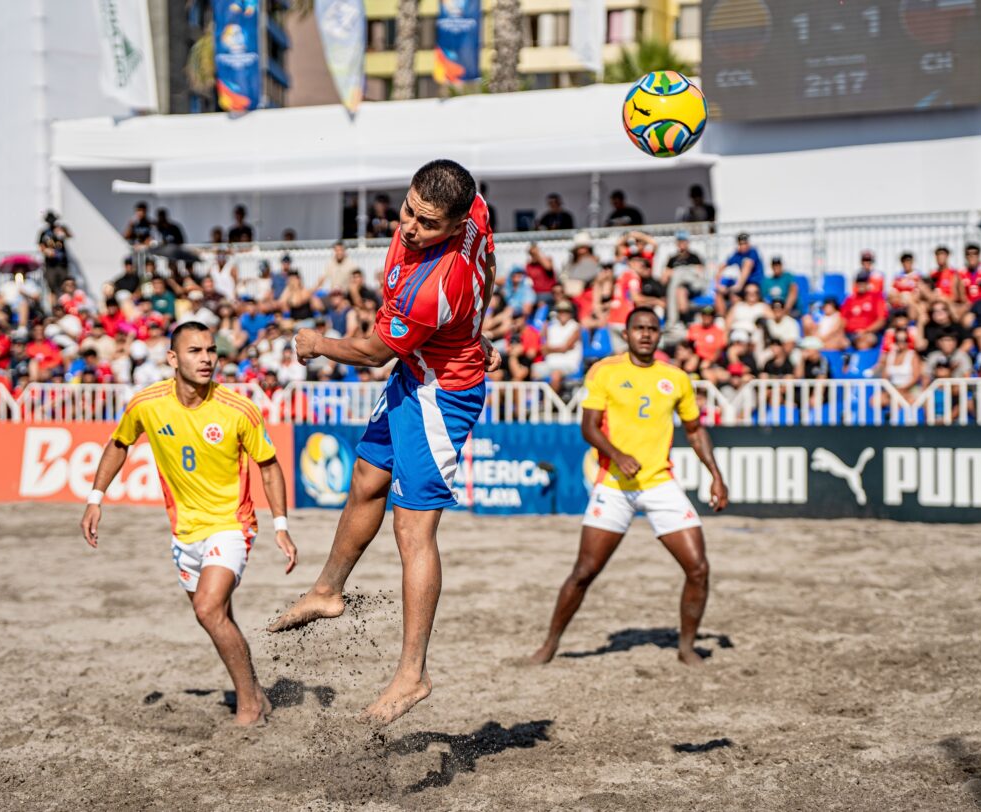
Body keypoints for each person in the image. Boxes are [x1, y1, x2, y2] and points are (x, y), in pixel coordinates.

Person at [266, 159, 500, 725]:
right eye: (408, 211)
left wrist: (316, 342)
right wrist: (472, 326)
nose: (411, 228)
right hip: (416, 375)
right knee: (367, 480)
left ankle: (412, 673)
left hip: (440, 396)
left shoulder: (435, 286)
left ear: (455, 225)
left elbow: (374, 353)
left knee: (412, 528)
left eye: (428, 224)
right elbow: (488, 264)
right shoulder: (474, 212)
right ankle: (327, 590)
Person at [80, 321, 298, 726]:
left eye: (211, 350)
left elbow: (268, 466)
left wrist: (280, 525)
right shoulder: (147, 403)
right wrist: (96, 499)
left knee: (207, 609)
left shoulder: (237, 408)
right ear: (172, 359)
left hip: (232, 525)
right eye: (195, 351)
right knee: (220, 620)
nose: (206, 359)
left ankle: (249, 708)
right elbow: (119, 443)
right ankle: (257, 695)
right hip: (184, 533)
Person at [528, 307, 728, 667]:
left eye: (653, 329)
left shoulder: (677, 377)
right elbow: (588, 428)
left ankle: (685, 648)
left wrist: (715, 474)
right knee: (585, 572)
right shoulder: (605, 370)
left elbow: (695, 431)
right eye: (640, 328)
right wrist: (618, 455)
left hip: (659, 482)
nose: (646, 334)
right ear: (627, 334)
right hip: (615, 484)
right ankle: (549, 645)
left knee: (698, 568)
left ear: (660, 333)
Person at [715, 232, 764, 311]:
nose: (743, 246)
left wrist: (738, 285)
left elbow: (747, 266)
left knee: (744, 292)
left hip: (755, 283)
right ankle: (723, 318)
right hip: (742, 284)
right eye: (741, 244)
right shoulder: (737, 254)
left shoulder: (753, 252)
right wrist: (718, 284)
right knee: (719, 293)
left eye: (745, 243)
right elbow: (722, 266)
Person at [38, 211, 72, 293]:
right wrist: (46, 251)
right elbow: (40, 245)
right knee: (52, 287)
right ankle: (54, 305)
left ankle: (64, 303)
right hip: (50, 264)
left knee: (64, 285)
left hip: (62, 263)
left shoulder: (60, 229)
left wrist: (62, 232)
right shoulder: (44, 232)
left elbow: (69, 235)